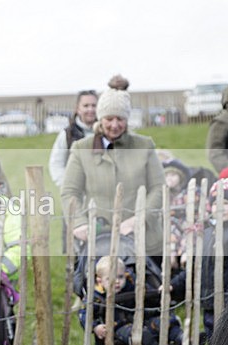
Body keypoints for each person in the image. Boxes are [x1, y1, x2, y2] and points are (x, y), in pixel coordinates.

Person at [60, 76, 164, 258]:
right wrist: (79, 222)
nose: (114, 125)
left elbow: (158, 188)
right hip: (99, 240)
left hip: (144, 240)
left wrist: (139, 219)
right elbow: (70, 192)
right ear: (100, 119)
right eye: (109, 119)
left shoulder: (144, 146)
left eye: (120, 119)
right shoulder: (81, 149)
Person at [170, 178, 228, 340]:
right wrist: (174, 284)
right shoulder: (208, 233)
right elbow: (196, 266)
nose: (220, 208)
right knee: (213, 341)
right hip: (208, 302)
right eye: (216, 203)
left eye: (227, 203)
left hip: (227, 305)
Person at [48, 90, 98, 189]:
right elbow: (56, 163)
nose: (90, 109)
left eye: (94, 105)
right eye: (86, 106)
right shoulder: (67, 134)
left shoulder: (108, 132)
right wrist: (68, 187)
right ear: (78, 109)